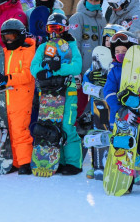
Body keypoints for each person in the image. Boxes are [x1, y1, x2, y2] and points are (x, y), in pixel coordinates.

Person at [103, 30, 140, 194]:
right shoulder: (114, 71)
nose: (120, 54)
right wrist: (120, 110)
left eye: (124, 51)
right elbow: (108, 93)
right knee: (123, 150)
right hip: (122, 120)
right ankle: (124, 181)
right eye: (117, 52)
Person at [0, 19, 36, 174]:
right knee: (8, 131)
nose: (9, 40)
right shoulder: (4, 52)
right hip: (4, 100)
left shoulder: (28, 52)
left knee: (20, 131)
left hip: (21, 100)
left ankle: (25, 163)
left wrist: (7, 79)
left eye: (12, 36)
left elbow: (28, 75)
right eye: (5, 37)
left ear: (21, 36)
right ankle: (14, 162)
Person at [30, 13, 83, 175]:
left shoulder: (71, 45)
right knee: (52, 125)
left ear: (65, 29)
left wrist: (56, 69)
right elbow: (34, 67)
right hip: (49, 92)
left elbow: (76, 67)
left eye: (58, 29)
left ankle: (73, 163)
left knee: (67, 125)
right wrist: (44, 71)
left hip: (67, 90)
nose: (54, 33)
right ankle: (57, 160)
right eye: (51, 29)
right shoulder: (43, 47)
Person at [69, 0, 106, 117]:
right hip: (82, 68)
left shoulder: (102, 20)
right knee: (80, 101)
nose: (93, 1)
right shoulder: (77, 17)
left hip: (97, 69)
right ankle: (76, 127)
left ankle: (91, 124)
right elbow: (74, 44)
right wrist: (76, 69)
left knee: (96, 99)